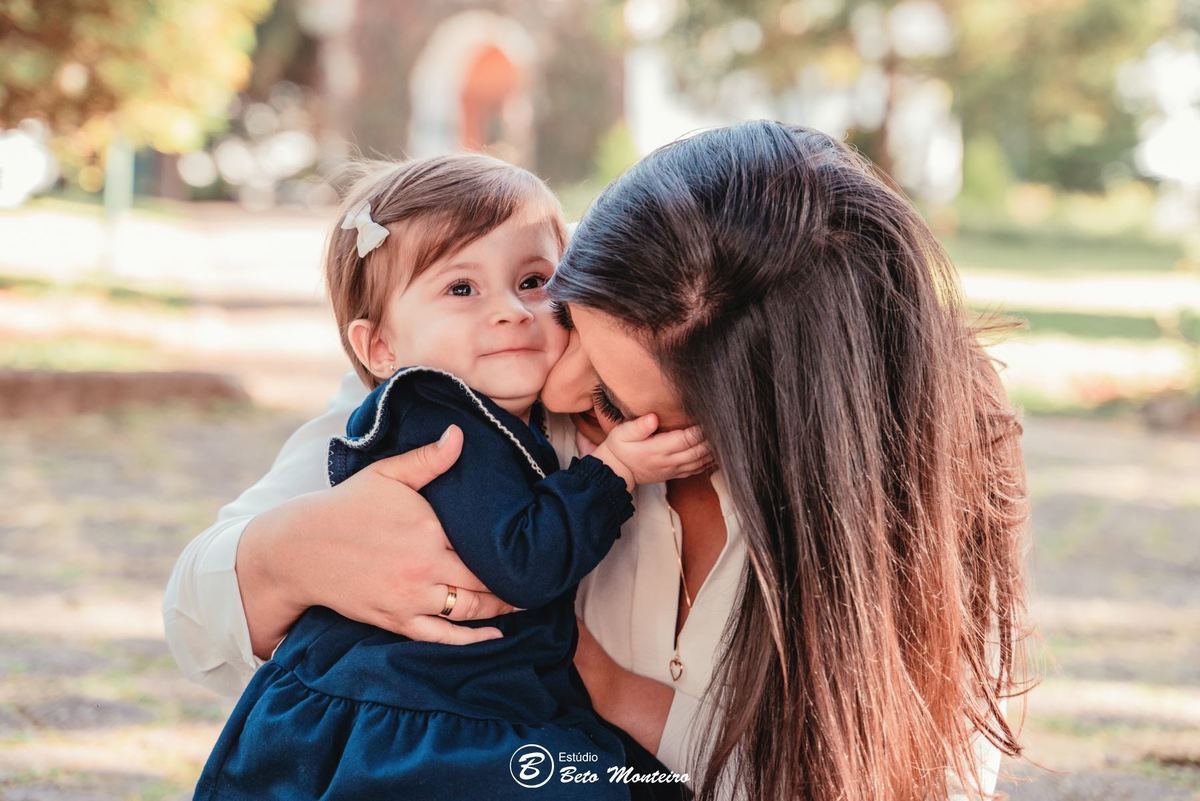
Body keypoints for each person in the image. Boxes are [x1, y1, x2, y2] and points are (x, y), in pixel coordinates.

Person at [166, 121, 1032, 801]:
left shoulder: (929, 467)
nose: (564, 378)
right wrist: (289, 555)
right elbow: (195, 617)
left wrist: (611, 689)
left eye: (619, 400)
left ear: (765, 430)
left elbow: (913, 778)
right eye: (576, 315)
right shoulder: (474, 388)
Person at [191, 154, 704, 800]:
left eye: (534, 281)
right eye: (462, 289)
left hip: (476, 698)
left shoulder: (489, 413)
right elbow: (522, 563)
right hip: (404, 719)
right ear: (381, 348)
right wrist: (616, 470)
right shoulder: (436, 421)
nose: (510, 311)